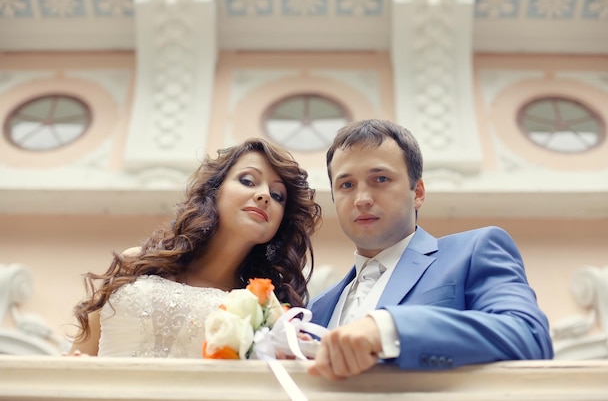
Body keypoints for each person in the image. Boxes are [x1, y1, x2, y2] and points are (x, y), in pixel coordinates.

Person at [307, 119, 553, 380]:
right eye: (346, 185)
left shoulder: (474, 251)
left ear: (419, 193)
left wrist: (388, 329)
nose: (362, 199)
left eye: (380, 179)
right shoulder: (316, 308)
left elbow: (529, 336)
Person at [70, 138, 322, 357]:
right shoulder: (135, 263)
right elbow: (75, 362)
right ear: (215, 191)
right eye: (248, 180)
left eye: (278, 196)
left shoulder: (267, 310)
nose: (264, 195)